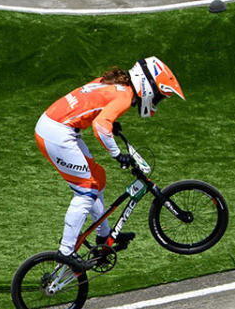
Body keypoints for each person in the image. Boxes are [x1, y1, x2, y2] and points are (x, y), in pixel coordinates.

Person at [34, 56, 186, 262]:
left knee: (98, 177)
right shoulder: (124, 96)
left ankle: (104, 237)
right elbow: (100, 128)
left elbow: (95, 107)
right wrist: (118, 155)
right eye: (158, 97)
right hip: (57, 133)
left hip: (55, 126)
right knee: (86, 190)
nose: (156, 102)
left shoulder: (117, 84)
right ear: (148, 87)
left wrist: (111, 123)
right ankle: (66, 252)